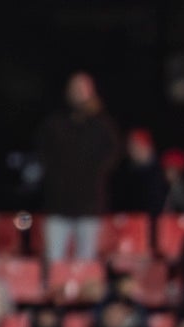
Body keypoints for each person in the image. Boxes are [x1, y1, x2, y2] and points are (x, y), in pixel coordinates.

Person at [35, 72, 121, 261]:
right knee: (54, 261)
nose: (79, 93)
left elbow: (112, 156)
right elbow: (43, 154)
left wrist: (93, 175)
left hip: (89, 206)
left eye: (83, 89)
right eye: (75, 88)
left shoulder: (102, 126)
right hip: (57, 205)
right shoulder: (54, 123)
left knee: (87, 262)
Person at [106, 129, 168, 215]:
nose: (133, 150)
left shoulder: (161, 171)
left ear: (147, 147)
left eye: (137, 145)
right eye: (131, 146)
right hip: (129, 221)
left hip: (151, 221)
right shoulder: (123, 171)